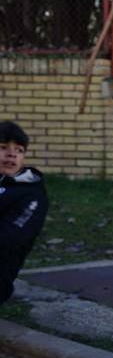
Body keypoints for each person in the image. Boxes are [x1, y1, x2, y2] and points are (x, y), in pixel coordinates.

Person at [0, 121, 48, 305]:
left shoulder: (30, 195)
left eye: (19, 150)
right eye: (3, 147)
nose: (12, 154)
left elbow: (10, 238)